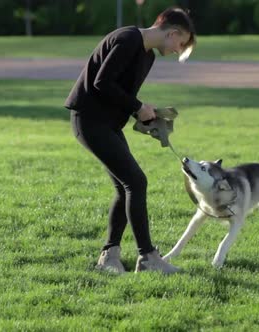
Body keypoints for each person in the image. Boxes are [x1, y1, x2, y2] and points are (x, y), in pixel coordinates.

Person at [64, 7, 196, 275]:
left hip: (108, 125)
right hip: (89, 121)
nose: (176, 51)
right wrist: (138, 106)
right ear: (171, 33)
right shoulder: (127, 39)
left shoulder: (147, 55)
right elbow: (102, 83)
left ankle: (109, 256)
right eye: (179, 44)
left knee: (127, 187)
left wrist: (148, 118)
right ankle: (147, 258)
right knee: (136, 182)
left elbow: (119, 94)